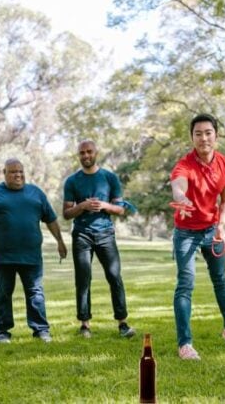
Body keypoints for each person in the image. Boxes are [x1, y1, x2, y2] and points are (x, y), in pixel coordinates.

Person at [170, 113, 225, 360]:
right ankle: (185, 345)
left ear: (216, 136)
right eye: (198, 134)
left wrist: (222, 224)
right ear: (192, 138)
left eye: (208, 133)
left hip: (212, 229)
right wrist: (181, 197)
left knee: (221, 280)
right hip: (186, 233)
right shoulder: (184, 165)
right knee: (185, 285)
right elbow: (178, 184)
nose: (203, 138)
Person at [0, 158, 67, 344]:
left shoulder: (36, 193)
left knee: (35, 293)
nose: (18, 175)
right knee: (2, 294)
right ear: (4, 173)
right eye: (13, 172)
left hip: (31, 256)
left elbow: (50, 219)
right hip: (2, 257)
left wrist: (60, 241)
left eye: (21, 171)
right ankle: (2, 332)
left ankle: (41, 330)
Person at [63, 140, 135, 339]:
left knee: (114, 276)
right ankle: (85, 325)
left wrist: (103, 205)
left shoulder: (109, 178)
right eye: (82, 153)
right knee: (83, 279)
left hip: (105, 234)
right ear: (78, 155)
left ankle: (122, 323)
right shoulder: (72, 181)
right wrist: (83, 206)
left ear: (96, 152)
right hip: (82, 235)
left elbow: (120, 209)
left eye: (89, 152)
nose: (86, 156)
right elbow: (67, 213)